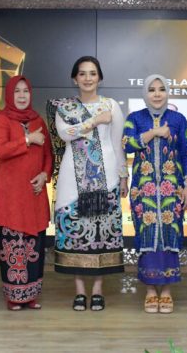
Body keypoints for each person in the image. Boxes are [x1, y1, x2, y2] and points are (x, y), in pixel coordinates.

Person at [49, 56, 127, 311]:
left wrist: (123, 176)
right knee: (76, 232)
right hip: (72, 179)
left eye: (92, 73)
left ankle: (98, 291)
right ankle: (80, 291)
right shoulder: (65, 107)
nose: (87, 78)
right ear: (75, 79)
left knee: (101, 233)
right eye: (82, 73)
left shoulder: (111, 106)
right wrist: (93, 121)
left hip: (106, 178)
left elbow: (117, 144)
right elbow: (65, 134)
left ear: (100, 78)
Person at [123, 74, 187, 314]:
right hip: (143, 190)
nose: (157, 94)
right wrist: (153, 133)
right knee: (146, 236)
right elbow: (126, 144)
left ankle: (166, 291)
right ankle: (150, 291)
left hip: (172, 190)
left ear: (167, 93)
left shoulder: (178, 120)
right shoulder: (135, 118)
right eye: (152, 89)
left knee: (169, 234)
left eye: (161, 89)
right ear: (145, 93)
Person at [0, 76, 52, 311]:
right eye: (17, 91)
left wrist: (44, 175)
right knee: (12, 246)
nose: (22, 95)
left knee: (33, 247)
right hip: (11, 197)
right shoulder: (1, 119)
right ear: (9, 94)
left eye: (26, 91)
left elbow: (48, 155)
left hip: (34, 195)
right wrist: (27, 139)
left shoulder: (38, 120)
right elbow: (0, 150)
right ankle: (14, 297)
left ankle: (31, 295)